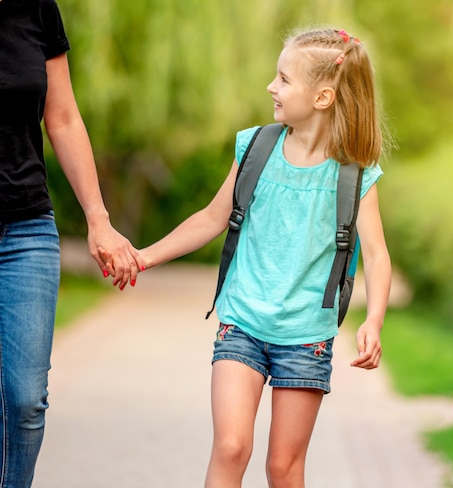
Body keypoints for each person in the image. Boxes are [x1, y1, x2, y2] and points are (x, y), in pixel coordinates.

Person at [102, 27, 392, 488]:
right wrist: (143, 257)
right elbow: (211, 218)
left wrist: (373, 320)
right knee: (232, 446)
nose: (271, 88)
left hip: (306, 337)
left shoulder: (354, 175)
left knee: (283, 468)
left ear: (322, 97)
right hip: (243, 320)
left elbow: (376, 256)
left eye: (283, 79)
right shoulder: (257, 147)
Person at [0, 1, 144, 486]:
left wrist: (98, 220)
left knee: (24, 399)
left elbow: (61, 117)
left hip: (25, 230)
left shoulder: (37, 8)